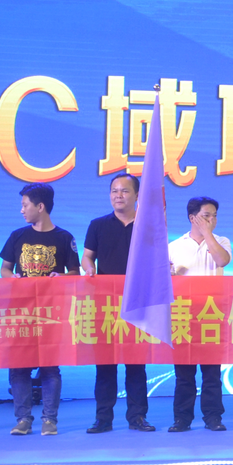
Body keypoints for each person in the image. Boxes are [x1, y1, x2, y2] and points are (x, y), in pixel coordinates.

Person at [0, 183, 79, 435]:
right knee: (18, 367)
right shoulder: (17, 236)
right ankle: (23, 419)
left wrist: (61, 277)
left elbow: (75, 273)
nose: (21, 210)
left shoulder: (64, 238)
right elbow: (5, 269)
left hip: (51, 313)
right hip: (20, 311)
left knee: (50, 367)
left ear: (40, 206)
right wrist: (14, 280)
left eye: (25, 205)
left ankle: (49, 420)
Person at [82, 174, 152, 433]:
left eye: (124, 191)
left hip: (138, 302)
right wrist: (89, 268)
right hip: (106, 304)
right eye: (114, 190)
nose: (118, 195)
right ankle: (103, 418)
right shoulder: (98, 225)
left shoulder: (148, 225)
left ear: (137, 195)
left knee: (136, 363)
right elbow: (87, 257)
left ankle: (137, 417)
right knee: (105, 364)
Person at [168, 196, 232, 431]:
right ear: (192, 218)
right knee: (184, 373)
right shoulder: (174, 246)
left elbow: (222, 260)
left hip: (211, 314)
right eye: (206, 216)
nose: (212, 220)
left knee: (211, 372)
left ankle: (213, 417)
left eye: (214, 216)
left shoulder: (221, 241)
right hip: (183, 315)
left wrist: (207, 233)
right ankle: (182, 419)